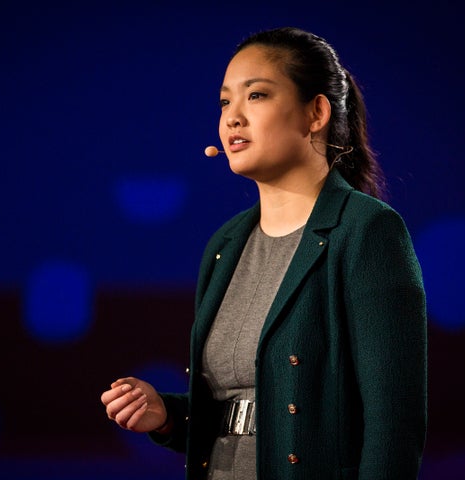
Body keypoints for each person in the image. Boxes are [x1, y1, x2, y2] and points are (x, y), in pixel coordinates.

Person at [101, 26, 427, 480]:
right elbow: (239, 409)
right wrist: (169, 415)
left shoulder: (366, 230)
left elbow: (394, 427)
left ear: (316, 113)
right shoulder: (225, 244)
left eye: (255, 96)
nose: (233, 117)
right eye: (224, 102)